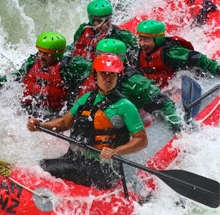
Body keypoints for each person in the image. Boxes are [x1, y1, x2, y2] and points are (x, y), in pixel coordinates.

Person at [27, 54, 148, 189]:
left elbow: (141, 140)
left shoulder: (125, 106)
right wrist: (40, 126)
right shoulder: (87, 98)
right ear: (95, 75)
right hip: (74, 158)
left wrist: (115, 151)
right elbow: (64, 123)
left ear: (118, 77)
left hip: (102, 169)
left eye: (112, 75)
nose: (107, 79)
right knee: (36, 165)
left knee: (41, 168)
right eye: (103, 74)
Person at [79, 38, 182, 134]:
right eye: (100, 56)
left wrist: (178, 128)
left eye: (108, 59)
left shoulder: (134, 82)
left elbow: (164, 102)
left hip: (122, 118)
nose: (104, 63)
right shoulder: (90, 69)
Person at [0, 31, 91, 120]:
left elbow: (94, 68)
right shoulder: (32, 62)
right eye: (40, 52)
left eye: (46, 54)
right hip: (28, 110)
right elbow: (17, 76)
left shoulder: (71, 67)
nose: (40, 56)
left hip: (55, 115)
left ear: (57, 54)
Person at [136, 19, 220, 89]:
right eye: (140, 39)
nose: (142, 44)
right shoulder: (140, 52)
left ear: (157, 40)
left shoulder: (171, 53)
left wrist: (217, 69)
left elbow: (198, 58)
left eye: (146, 40)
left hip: (175, 84)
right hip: (157, 88)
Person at [66, 0, 139, 66]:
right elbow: (73, 48)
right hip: (85, 68)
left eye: (107, 20)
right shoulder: (83, 30)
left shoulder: (119, 36)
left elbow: (135, 54)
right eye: (100, 21)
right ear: (92, 20)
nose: (105, 25)